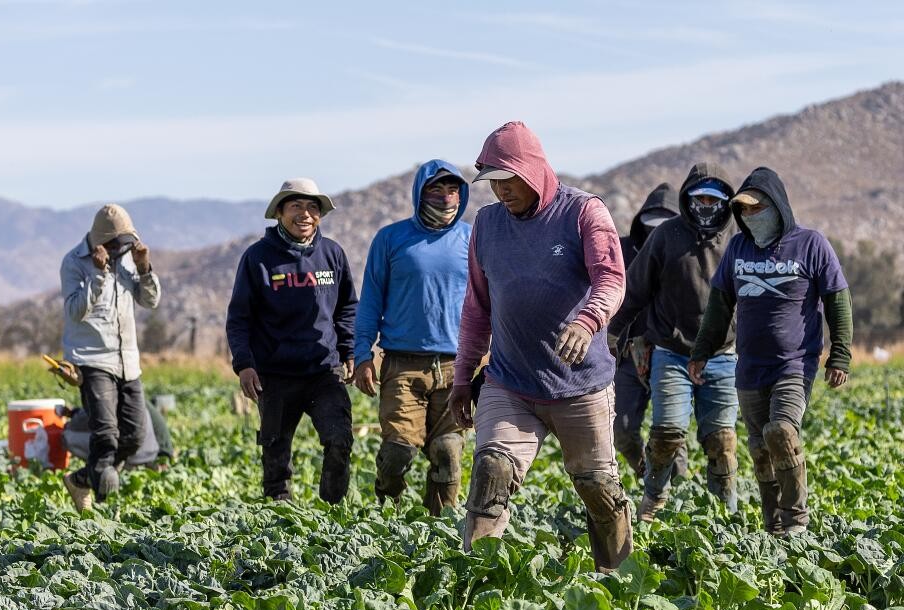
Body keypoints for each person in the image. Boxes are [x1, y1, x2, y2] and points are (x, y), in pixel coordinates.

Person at [449, 122, 631, 572]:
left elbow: (611, 279)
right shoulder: (487, 226)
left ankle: (618, 579)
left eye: (507, 180)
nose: (500, 192)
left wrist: (588, 321)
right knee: (492, 471)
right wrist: (461, 377)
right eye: (492, 183)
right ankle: (476, 582)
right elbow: (477, 308)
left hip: (580, 385)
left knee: (597, 488)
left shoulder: (584, 213)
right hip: (510, 383)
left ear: (532, 171)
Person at [690, 167, 852, 536]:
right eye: (743, 211)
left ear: (777, 206)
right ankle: (773, 525)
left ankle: (795, 520)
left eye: (756, 208)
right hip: (749, 368)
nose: (750, 216)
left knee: (780, 431)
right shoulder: (738, 248)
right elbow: (719, 307)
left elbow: (838, 301)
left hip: (795, 364)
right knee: (760, 450)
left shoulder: (811, 245)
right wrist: (701, 351)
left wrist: (839, 354)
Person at [609, 164, 740, 520]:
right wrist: (612, 333)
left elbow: (759, 297)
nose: (707, 206)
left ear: (726, 200)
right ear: (689, 199)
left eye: (715, 199)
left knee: (722, 442)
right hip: (671, 353)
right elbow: (634, 291)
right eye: (700, 198)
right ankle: (654, 501)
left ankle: (725, 514)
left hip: (722, 356)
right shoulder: (666, 236)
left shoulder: (738, 239)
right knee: (666, 435)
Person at [226, 178, 358, 504]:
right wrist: (244, 364)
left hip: (324, 371)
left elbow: (347, 308)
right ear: (280, 212)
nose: (305, 214)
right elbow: (239, 317)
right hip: (275, 374)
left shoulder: (332, 254)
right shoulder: (258, 258)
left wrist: (350, 350)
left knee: (339, 440)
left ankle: (332, 509)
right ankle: (281, 519)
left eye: (313, 207)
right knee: (276, 452)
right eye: (296, 206)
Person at [352, 160, 470, 515]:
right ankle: (388, 516)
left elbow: (490, 301)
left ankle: (439, 526)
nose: (446, 197)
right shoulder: (391, 239)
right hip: (402, 365)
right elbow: (370, 300)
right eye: (436, 189)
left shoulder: (471, 239)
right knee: (397, 452)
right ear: (420, 192)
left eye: (452, 190)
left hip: (457, 365)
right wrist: (362, 355)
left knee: (448, 452)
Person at [59, 204, 161, 511]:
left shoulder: (129, 260)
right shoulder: (74, 263)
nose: (120, 250)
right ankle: (101, 513)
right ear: (101, 243)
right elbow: (75, 311)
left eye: (124, 245)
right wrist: (99, 274)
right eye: (115, 245)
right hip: (92, 359)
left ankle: (80, 480)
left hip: (128, 361)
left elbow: (151, 301)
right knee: (105, 434)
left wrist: (144, 269)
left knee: (134, 435)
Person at [611, 182, 682, 480]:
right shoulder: (623, 249)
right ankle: (648, 472)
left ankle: (675, 492)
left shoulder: (686, 252)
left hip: (670, 351)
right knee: (622, 429)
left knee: (670, 430)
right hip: (628, 353)